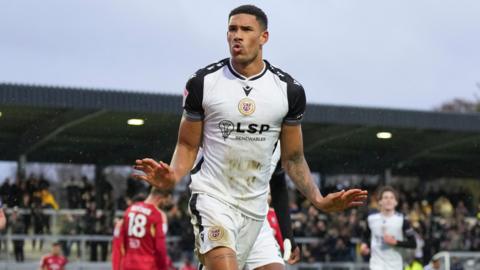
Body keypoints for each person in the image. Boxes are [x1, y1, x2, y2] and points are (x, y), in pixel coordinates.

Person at [133, 4, 368, 270]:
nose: (237, 35)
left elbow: (292, 158)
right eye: (232, 29)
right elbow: (187, 144)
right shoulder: (203, 83)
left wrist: (319, 199)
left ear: (264, 37)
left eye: (246, 29)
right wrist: (173, 176)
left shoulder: (288, 91)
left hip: (256, 212)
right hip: (213, 199)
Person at [360, 186, 416, 270]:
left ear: (396, 202)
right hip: (376, 265)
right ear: (380, 201)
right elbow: (365, 236)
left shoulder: (402, 220)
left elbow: (413, 244)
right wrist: (364, 245)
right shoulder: (371, 219)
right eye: (385, 197)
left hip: (395, 266)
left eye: (391, 198)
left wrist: (395, 242)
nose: (389, 200)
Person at [120, 187, 171, 270]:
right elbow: (160, 248)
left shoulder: (129, 210)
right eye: (164, 202)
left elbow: (123, 242)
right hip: (147, 265)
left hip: (128, 263)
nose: (164, 205)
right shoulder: (156, 214)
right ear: (160, 198)